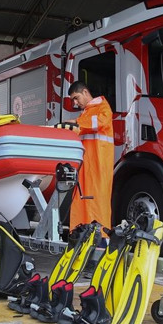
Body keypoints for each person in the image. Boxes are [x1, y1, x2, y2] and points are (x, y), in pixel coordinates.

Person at [62, 81, 114, 229]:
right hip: (87, 166)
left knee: (96, 202)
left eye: (76, 98)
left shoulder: (102, 107)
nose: (75, 102)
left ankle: (99, 236)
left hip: (98, 166)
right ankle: (82, 233)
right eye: (73, 99)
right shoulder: (87, 112)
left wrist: (76, 122)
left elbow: (99, 122)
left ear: (85, 92)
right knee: (83, 200)